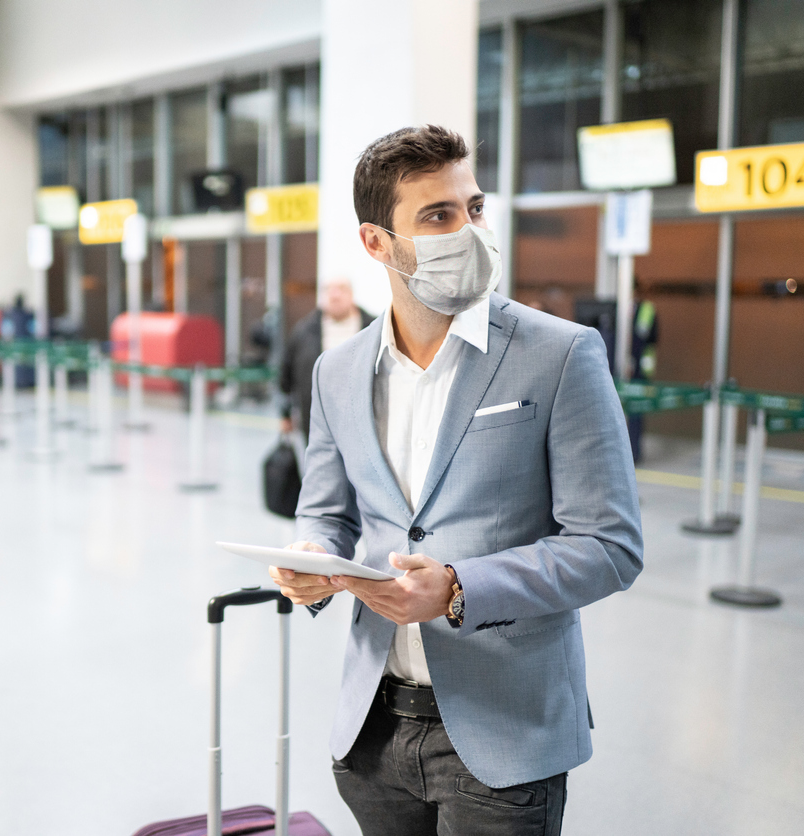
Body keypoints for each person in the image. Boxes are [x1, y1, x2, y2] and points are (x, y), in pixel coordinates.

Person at [268, 125, 643, 835]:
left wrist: (459, 587)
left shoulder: (559, 354)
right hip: (373, 728)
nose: (467, 230)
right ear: (376, 243)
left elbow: (609, 546)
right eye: (437, 216)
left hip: (504, 735)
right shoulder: (337, 372)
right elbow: (326, 514)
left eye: (471, 207)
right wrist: (312, 560)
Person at [279, 279, 374, 440]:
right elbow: (286, 375)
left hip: (365, 416)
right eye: (329, 290)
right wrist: (285, 413)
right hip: (317, 417)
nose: (335, 295)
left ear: (351, 295)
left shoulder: (373, 328)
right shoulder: (304, 331)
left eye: (341, 289)